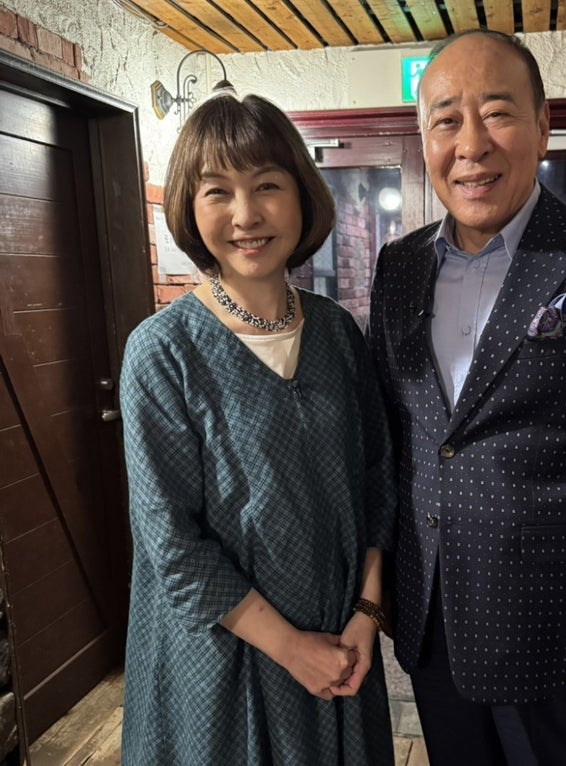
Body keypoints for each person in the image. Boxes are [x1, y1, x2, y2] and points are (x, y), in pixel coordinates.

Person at [369, 30, 566, 766]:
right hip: (431, 611)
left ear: (542, 125)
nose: (471, 145)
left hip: (549, 623)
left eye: (497, 113)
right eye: (446, 120)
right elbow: (395, 438)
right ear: (425, 138)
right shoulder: (399, 266)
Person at [119, 91, 396, 765]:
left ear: (301, 196)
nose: (246, 215)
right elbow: (171, 543)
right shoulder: (162, 352)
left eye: (267, 185)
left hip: (341, 645)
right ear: (189, 208)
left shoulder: (336, 333)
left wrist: (366, 615)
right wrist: (293, 649)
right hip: (222, 662)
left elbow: (377, 481)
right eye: (218, 191)